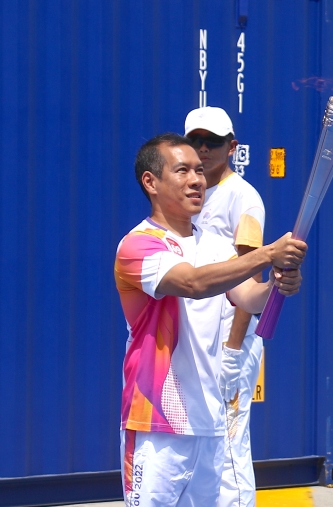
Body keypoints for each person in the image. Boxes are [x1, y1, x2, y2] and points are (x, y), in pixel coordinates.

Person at [114, 133, 307, 507]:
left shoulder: (217, 246)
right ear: (151, 182)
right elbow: (193, 283)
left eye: (199, 171)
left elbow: (248, 297)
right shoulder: (139, 244)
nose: (196, 180)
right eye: (182, 171)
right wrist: (267, 254)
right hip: (158, 423)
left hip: (209, 418)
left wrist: (277, 284)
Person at [183, 107, 265, 507]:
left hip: (232, 342)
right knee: (206, 440)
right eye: (195, 141)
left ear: (231, 147)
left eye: (212, 142)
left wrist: (233, 351)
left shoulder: (243, 198)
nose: (203, 149)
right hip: (200, 340)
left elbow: (249, 277)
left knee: (231, 440)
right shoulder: (190, 195)